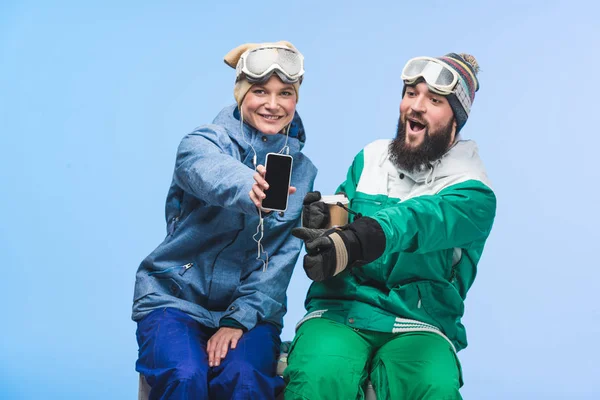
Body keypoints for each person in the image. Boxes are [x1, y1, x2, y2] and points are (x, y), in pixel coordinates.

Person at [284, 53, 496, 399]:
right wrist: (326, 232)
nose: (417, 106)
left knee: (433, 388)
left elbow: (421, 220)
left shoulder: (473, 191)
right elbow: (343, 231)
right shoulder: (370, 159)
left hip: (420, 323)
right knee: (318, 376)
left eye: (435, 100)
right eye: (411, 93)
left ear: (456, 119)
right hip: (343, 310)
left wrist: (362, 236)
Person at [131, 41, 317, 400]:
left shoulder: (303, 173)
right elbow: (208, 171)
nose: (273, 104)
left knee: (245, 380)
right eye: (260, 91)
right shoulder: (201, 142)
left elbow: (279, 261)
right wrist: (250, 186)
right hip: (174, 299)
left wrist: (238, 319)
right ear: (241, 93)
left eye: (285, 93)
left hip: (251, 313)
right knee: (185, 375)